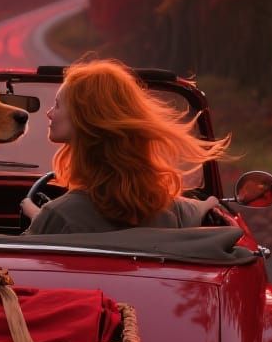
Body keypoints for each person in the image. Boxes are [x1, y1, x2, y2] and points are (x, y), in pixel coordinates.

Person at [20, 59, 232, 234]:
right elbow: (206, 205)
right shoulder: (171, 213)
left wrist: (38, 217)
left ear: (86, 118)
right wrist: (210, 203)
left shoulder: (58, 216)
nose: (49, 113)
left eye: (57, 105)